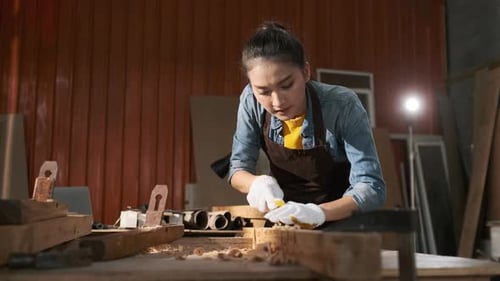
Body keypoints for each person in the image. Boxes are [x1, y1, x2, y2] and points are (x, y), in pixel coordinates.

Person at [228, 21, 386, 229]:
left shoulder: (342, 106)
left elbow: (371, 187)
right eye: (263, 91)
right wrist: (256, 183)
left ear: (306, 72)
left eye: (286, 85)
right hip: (285, 222)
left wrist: (319, 212)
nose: (276, 102)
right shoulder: (250, 101)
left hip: (341, 222)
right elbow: (237, 169)